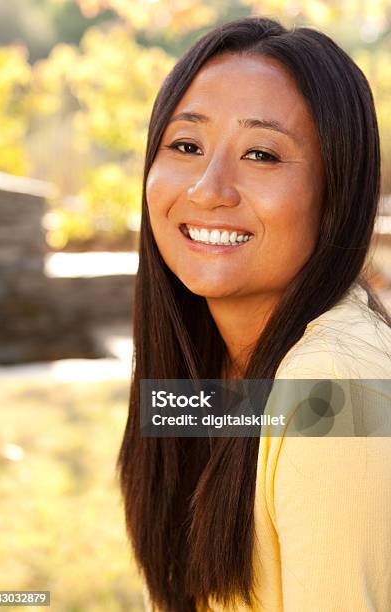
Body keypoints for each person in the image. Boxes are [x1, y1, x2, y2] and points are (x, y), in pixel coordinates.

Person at [116, 16, 391, 612]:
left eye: (261, 154)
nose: (210, 189)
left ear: (335, 194)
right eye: (186, 145)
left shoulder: (337, 379)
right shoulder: (204, 368)